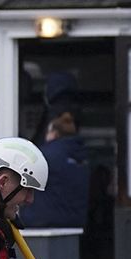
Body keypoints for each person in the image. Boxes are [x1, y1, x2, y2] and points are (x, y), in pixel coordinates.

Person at [16, 97, 89, 229]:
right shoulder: (82, 157)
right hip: (75, 226)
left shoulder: (44, 155)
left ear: (52, 132)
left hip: (42, 224)